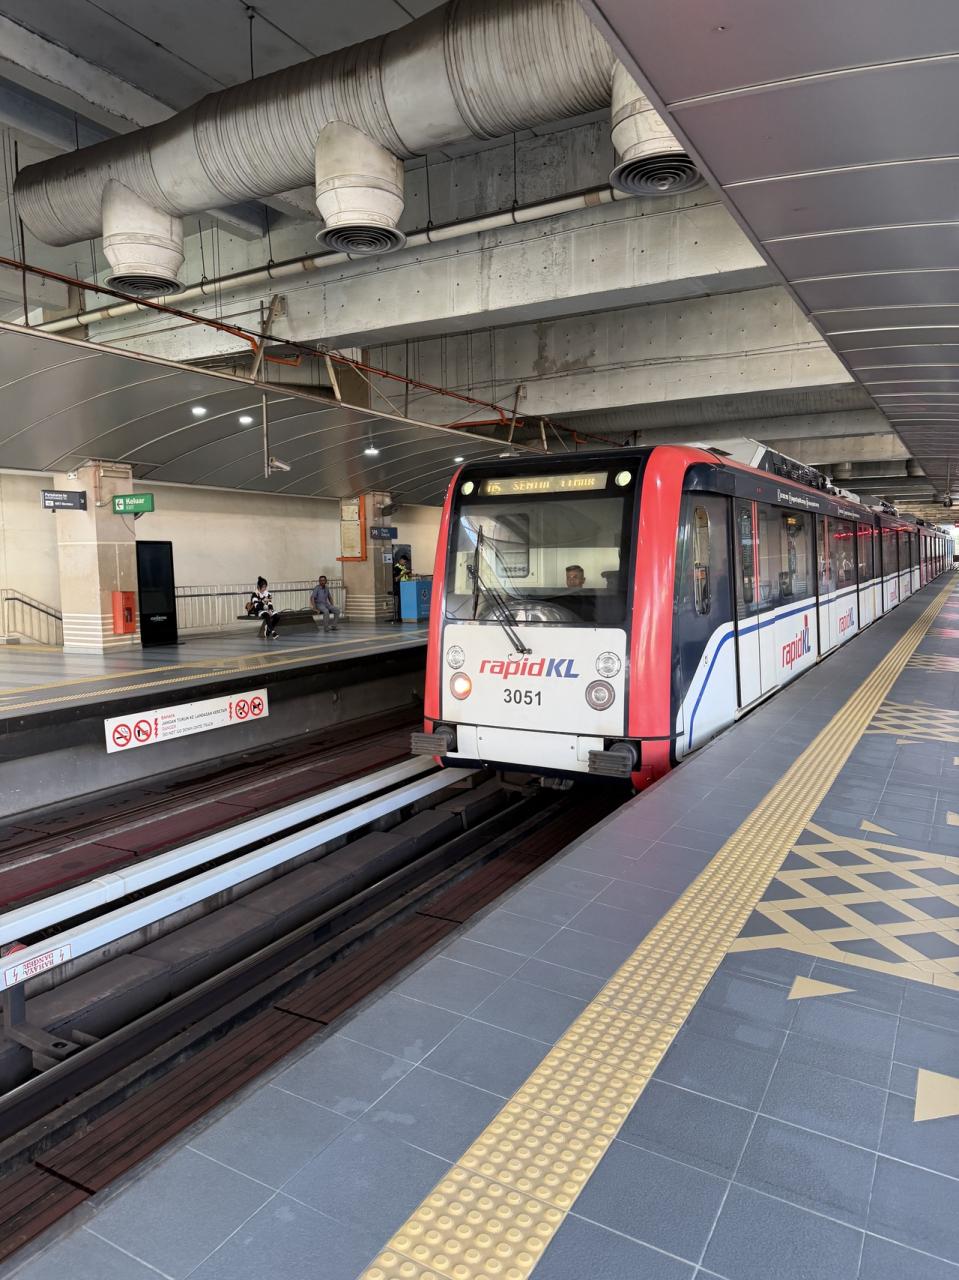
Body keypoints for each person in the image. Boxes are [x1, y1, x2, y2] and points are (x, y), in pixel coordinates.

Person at [392, 555, 412, 622]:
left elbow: (407, 575)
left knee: (404, 602)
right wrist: (403, 573)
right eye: (404, 561)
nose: (405, 563)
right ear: (400, 560)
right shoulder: (396, 568)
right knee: (401, 602)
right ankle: (400, 617)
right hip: (399, 587)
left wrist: (414, 575)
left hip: (405, 587)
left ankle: (405, 615)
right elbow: (396, 579)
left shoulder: (403, 567)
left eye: (406, 562)